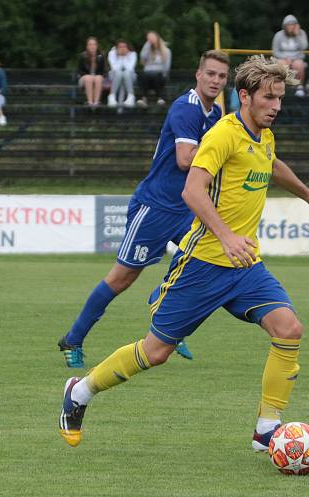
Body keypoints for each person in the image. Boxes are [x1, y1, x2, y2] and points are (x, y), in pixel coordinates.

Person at [59, 55, 309, 449]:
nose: (276, 106)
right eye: (269, 98)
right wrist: (225, 236)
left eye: (280, 99)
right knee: (156, 352)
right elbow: (191, 190)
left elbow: (272, 166)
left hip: (245, 267)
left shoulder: (264, 134)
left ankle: (266, 428)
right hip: (203, 263)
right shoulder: (224, 133)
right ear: (245, 96)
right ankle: (79, 392)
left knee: (289, 329)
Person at [57, 50, 232, 369]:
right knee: (122, 277)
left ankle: (160, 301)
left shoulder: (214, 113)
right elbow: (184, 159)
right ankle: (74, 338)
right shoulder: (187, 108)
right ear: (198, 74)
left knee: (205, 260)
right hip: (155, 207)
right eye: (211, 74)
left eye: (222, 76)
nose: (216, 80)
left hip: (185, 208)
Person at [272, 15, 308, 97]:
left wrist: (297, 35)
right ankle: (280, 88)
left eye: (293, 25)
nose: (291, 27)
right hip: (282, 58)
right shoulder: (278, 35)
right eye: (289, 25)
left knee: (299, 65)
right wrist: (286, 58)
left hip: (297, 58)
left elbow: (304, 48)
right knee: (281, 64)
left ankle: (300, 88)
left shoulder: (301, 33)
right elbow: (275, 51)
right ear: (285, 26)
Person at [137, 31, 172, 107]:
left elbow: (167, 66)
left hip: (160, 76)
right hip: (147, 77)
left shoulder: (166, 51)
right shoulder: (147, 49)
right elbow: (142, 57)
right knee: (144, 75)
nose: (151, 39)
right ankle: (144, 99)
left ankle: (160, 98)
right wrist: (147, 44)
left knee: (155, 75)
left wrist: (164, 75)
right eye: (148, 38)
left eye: (152, 37)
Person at [77, 37, 106, 106]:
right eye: (90, 44)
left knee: (98, 78)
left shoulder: (101, 56)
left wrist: (96, 76)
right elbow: (80, 71)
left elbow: (104, 71)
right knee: (88, 78)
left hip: (98, 79)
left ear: (97, 46)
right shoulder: (82, 56)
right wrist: (90, 76)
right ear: (87, 46)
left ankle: (96, 102)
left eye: (94, 44)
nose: (92, 46)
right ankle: (90, 102)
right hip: (84, 79)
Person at [107, 40, 137, 107]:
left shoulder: (133, 54)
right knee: (119, 73)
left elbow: (130, 68)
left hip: (130, 76)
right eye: (120, 47)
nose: (122, 49)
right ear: (116, 48)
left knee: (126, 73)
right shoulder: (112, 53)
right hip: (114, 76)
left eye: (124, 47)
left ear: (127, 47)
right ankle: (113, 96)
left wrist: (124, 57)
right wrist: (120, 57)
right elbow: (114, 68)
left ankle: (129, 96)